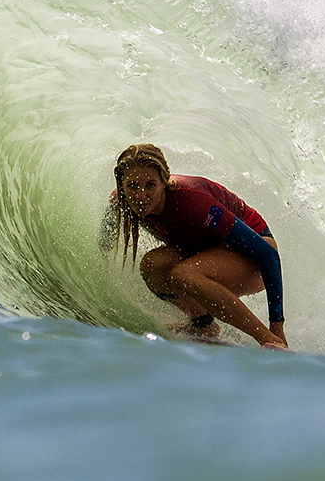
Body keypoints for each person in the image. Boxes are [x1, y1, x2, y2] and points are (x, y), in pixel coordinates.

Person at [105, 143, 288, 349]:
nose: (140, 196)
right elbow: (104, 243)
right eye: (132, 186)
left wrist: (276, 326)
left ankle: (269, 340)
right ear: (122, 186)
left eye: (150, 185)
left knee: (184, 274)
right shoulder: (120, 202)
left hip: (256, 256)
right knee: (152, 265)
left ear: (164, 182)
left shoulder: (194, 202)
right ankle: (204, 326)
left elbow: (268, 254)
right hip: (209, 251)